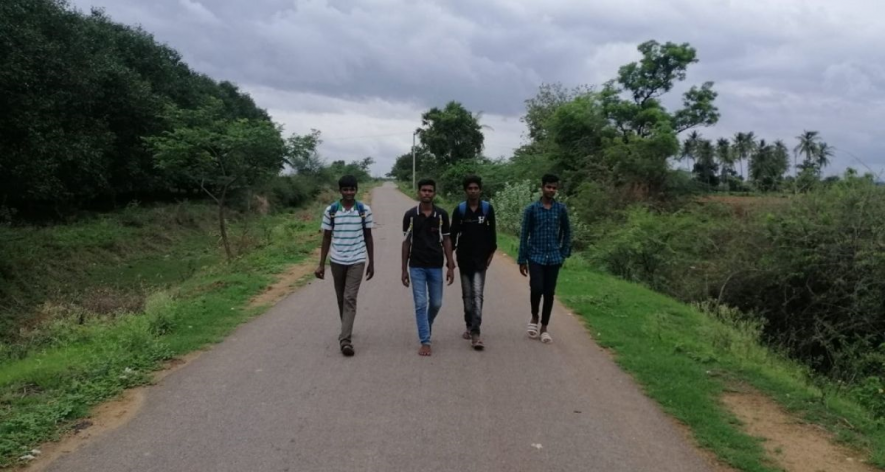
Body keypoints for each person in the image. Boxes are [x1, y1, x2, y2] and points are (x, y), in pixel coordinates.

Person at [315, 175, 375, 357]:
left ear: (356, 190)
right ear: (340, 190)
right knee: (341, 298)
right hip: (337, 260)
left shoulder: (364, 210)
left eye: (352, 189)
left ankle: (345, 340)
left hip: (357, 259)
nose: (349, 193)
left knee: (350, 297)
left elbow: (368, 236)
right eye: (345, 189)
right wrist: (321, 264)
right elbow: (326, 237)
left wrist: (372, 262)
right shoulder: (331, 210)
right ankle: (346, 327)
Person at [401, 178, 455, 357]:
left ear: (434, 193)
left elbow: (447, 239)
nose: (426, 193)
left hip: (435, 265)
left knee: (437, 303)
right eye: (423, 190)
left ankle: (427, 323)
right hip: (416, 265)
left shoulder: (441, 215)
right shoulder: (410, 215)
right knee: (421, 303)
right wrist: (403, 269)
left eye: (430, 191)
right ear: (418, 192)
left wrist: (450, 263)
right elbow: (406, 242)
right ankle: (425, 340)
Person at [517, 174, 572, 344]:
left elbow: (567, 232)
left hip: (554, 257)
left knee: (549, 293)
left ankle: (544, 327)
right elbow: (524, 234)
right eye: (549, 187)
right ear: (542, 187)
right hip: (535, 255)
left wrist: (563, 253)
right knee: (536, 288)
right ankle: (534, 315)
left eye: (554, 188)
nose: (551, 190)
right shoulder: (531, 209)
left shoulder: (561, 209)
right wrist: (522, 259)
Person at [450, 175, 497, 350]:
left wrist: (491, 254)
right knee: (467, 295)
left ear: (480, 190)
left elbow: (492, 234)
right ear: (465, 190)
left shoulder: (487, 209)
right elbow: (452, 235)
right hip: (464, 259)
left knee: (477, 294)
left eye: (476, 188)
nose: (473, 191)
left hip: (481, 260)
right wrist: (450, 260)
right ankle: (469, 325)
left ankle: (476, 333)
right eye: (470, 188)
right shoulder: (460, 210)